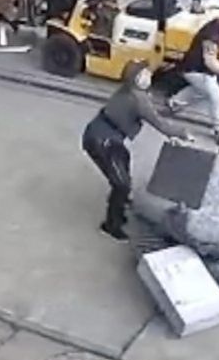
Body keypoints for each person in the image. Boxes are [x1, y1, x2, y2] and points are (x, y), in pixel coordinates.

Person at [83, 61, 194, 241]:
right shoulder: (138, 98)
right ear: (137, 79)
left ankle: (121, 201)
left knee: (123, 160)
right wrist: (182, 133)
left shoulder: (130, 92)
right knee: (121, 184)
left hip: (104, 134)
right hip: (102, 140)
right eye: (145, 73)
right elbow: (158, 122)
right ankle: (111, 224)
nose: (150, 75)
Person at [166, 17, 219, 155]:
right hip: (195, 70)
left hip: (194, 67)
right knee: (216, 96)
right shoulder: (211, 41)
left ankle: (175, 102)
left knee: (203, 90)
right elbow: (211, 63)